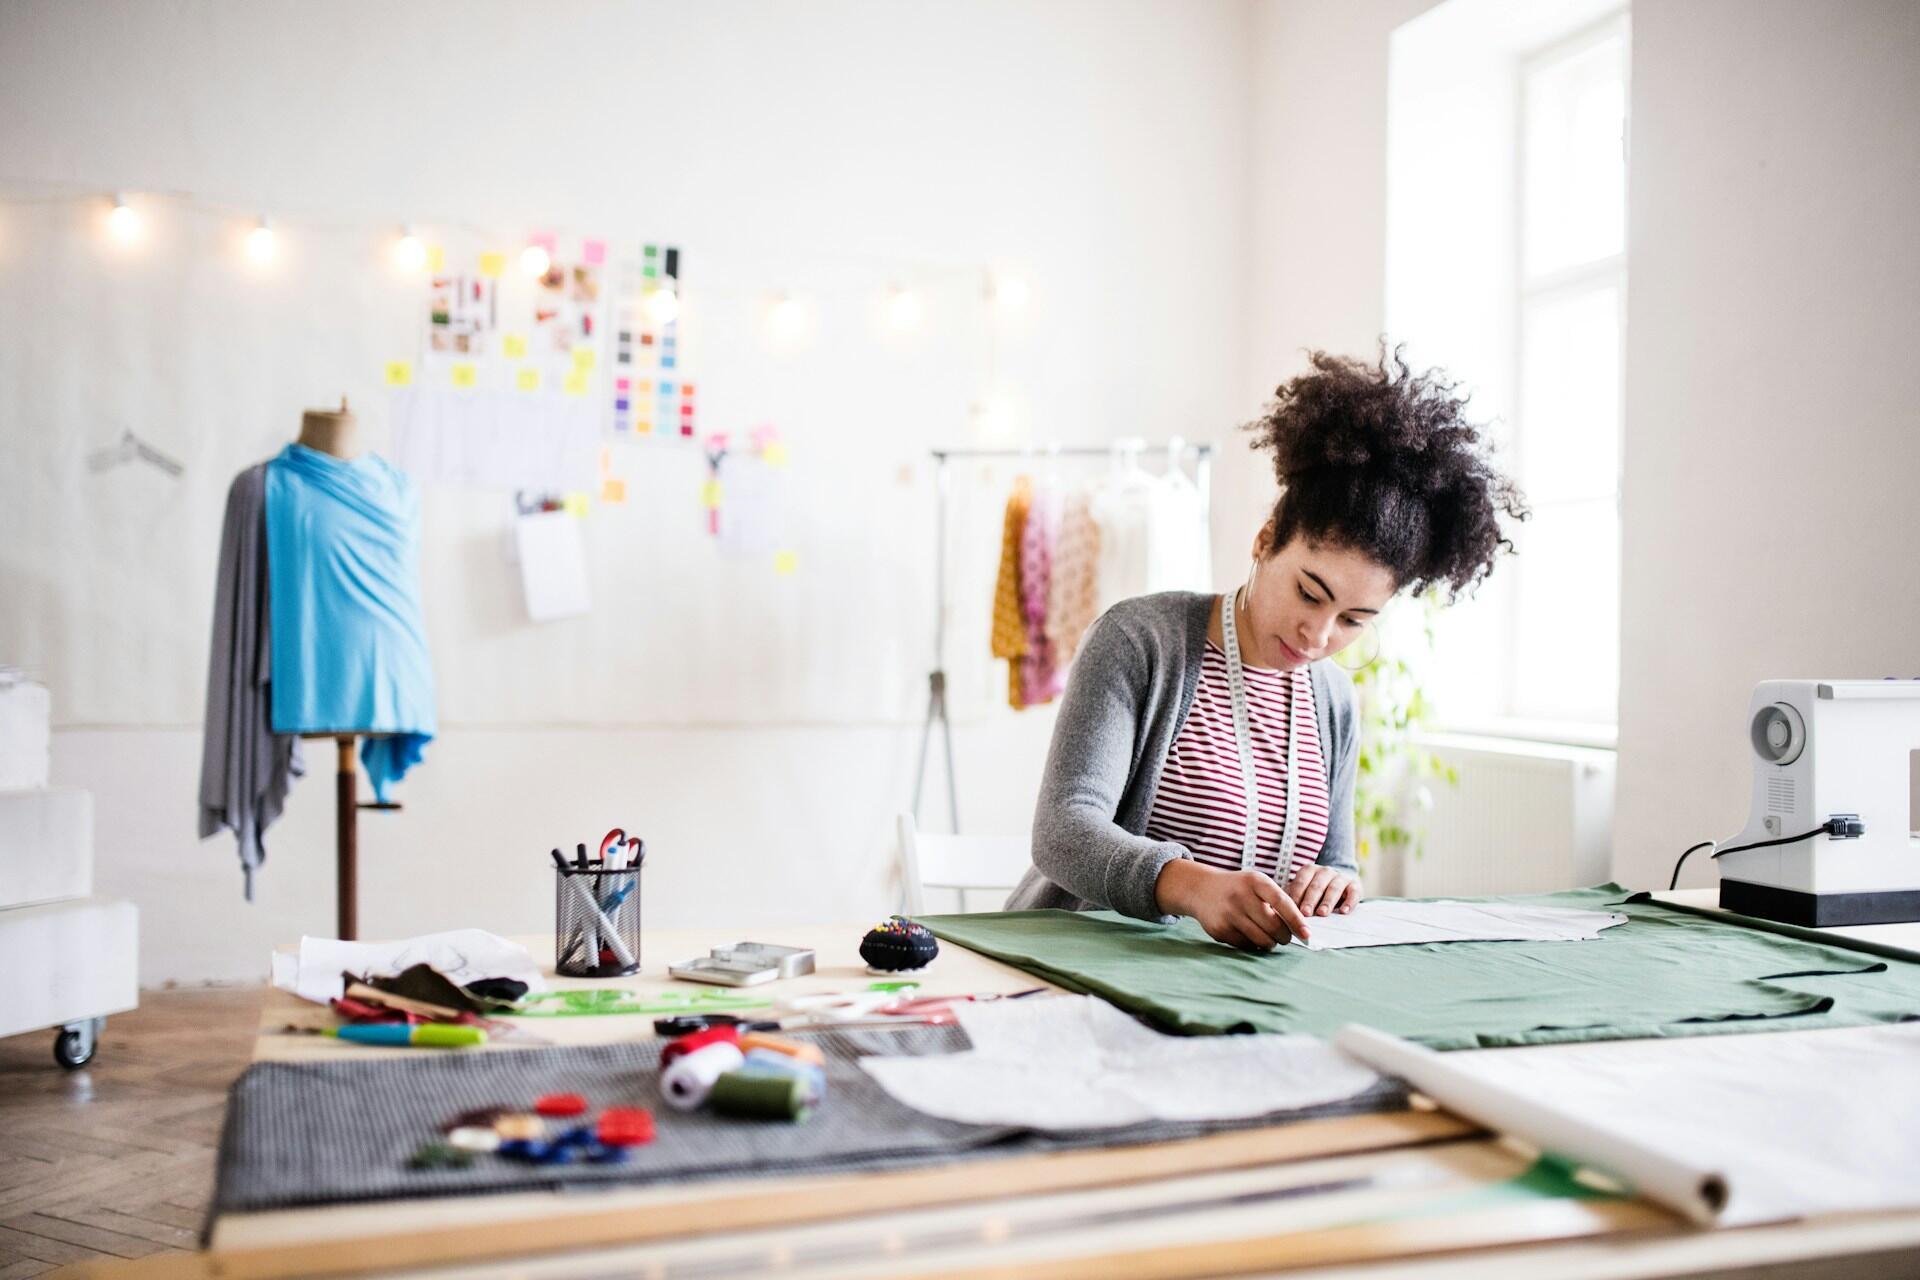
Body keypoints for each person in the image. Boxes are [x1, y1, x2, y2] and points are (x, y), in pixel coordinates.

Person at [1004, 346, 1526, 949]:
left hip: (1224, 985)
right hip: (1086, 964)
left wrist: (1336, 882)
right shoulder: (1139, 642)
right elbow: (1063, 830)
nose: (1319, 636)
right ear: (1266, 538)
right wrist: (1192, 887)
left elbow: (1336, 860)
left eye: (1354, 619)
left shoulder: (1332, 698)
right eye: (1309, 593)